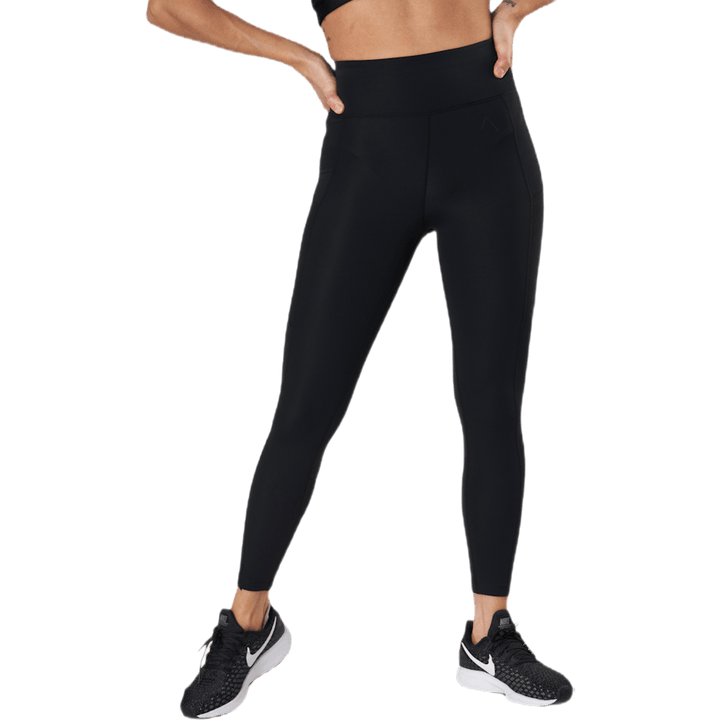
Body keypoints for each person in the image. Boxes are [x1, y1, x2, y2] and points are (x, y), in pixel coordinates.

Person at [145, 0, 576, 714]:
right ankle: (249, 626)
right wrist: (297, 57)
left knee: (492, 401)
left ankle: (489, 636)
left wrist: (517, 10)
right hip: (370, 145)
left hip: (487, 136)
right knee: (306, 406)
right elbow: (168, 7)